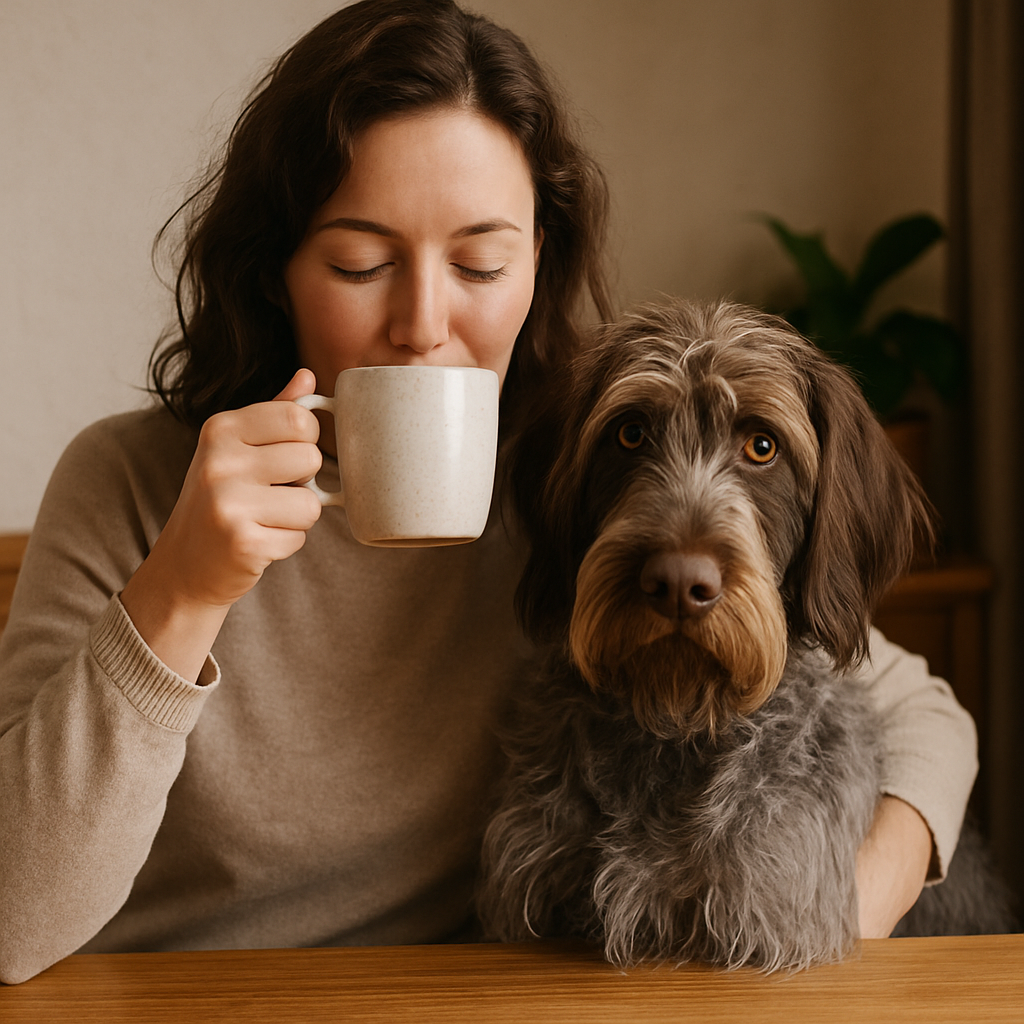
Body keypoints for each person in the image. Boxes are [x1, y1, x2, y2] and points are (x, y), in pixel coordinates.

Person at [0, 0, 976, 986]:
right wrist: (182, 589)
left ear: (537, 265)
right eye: (360, 262)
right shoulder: (130, 484)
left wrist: (853, 902)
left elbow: (920, 711)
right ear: (274, 273)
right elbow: (10, 920)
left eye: (480, 262)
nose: (423, 323)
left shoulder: (569, 482)